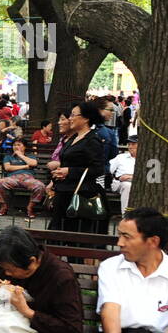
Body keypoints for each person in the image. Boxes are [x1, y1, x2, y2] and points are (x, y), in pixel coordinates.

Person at [49, 100, 109, 234]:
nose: (70, 118)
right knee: (56, 237)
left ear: (86, 118)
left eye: (73, 115)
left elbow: (97, 169)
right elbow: (66, 163)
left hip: (80, 196)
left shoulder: (92, 140)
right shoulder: (72, 138)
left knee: (73, 237)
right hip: (63, 192)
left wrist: (70, 171)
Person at [0, 138, 46, 217]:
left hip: (28, 178)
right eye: (14, 145)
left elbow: (33, 163)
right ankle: (4, 207)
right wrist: (25, 166)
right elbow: (8, 168)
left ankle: (30, 208)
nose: (16, 147)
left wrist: (20, 155)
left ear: (24, 147)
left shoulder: (30, 156)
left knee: (40, 186)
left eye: (19, 145)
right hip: (13, 178)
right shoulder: (8, 157)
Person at [108, 138, 137, 214]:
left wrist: (130, 176)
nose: (130, 147)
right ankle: (125, 215)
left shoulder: (145, 159)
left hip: (137, 183)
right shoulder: (121, 157)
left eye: (133, 144)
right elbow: (109, 170)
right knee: (127, 186)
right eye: (129, 144)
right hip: (120, 183)